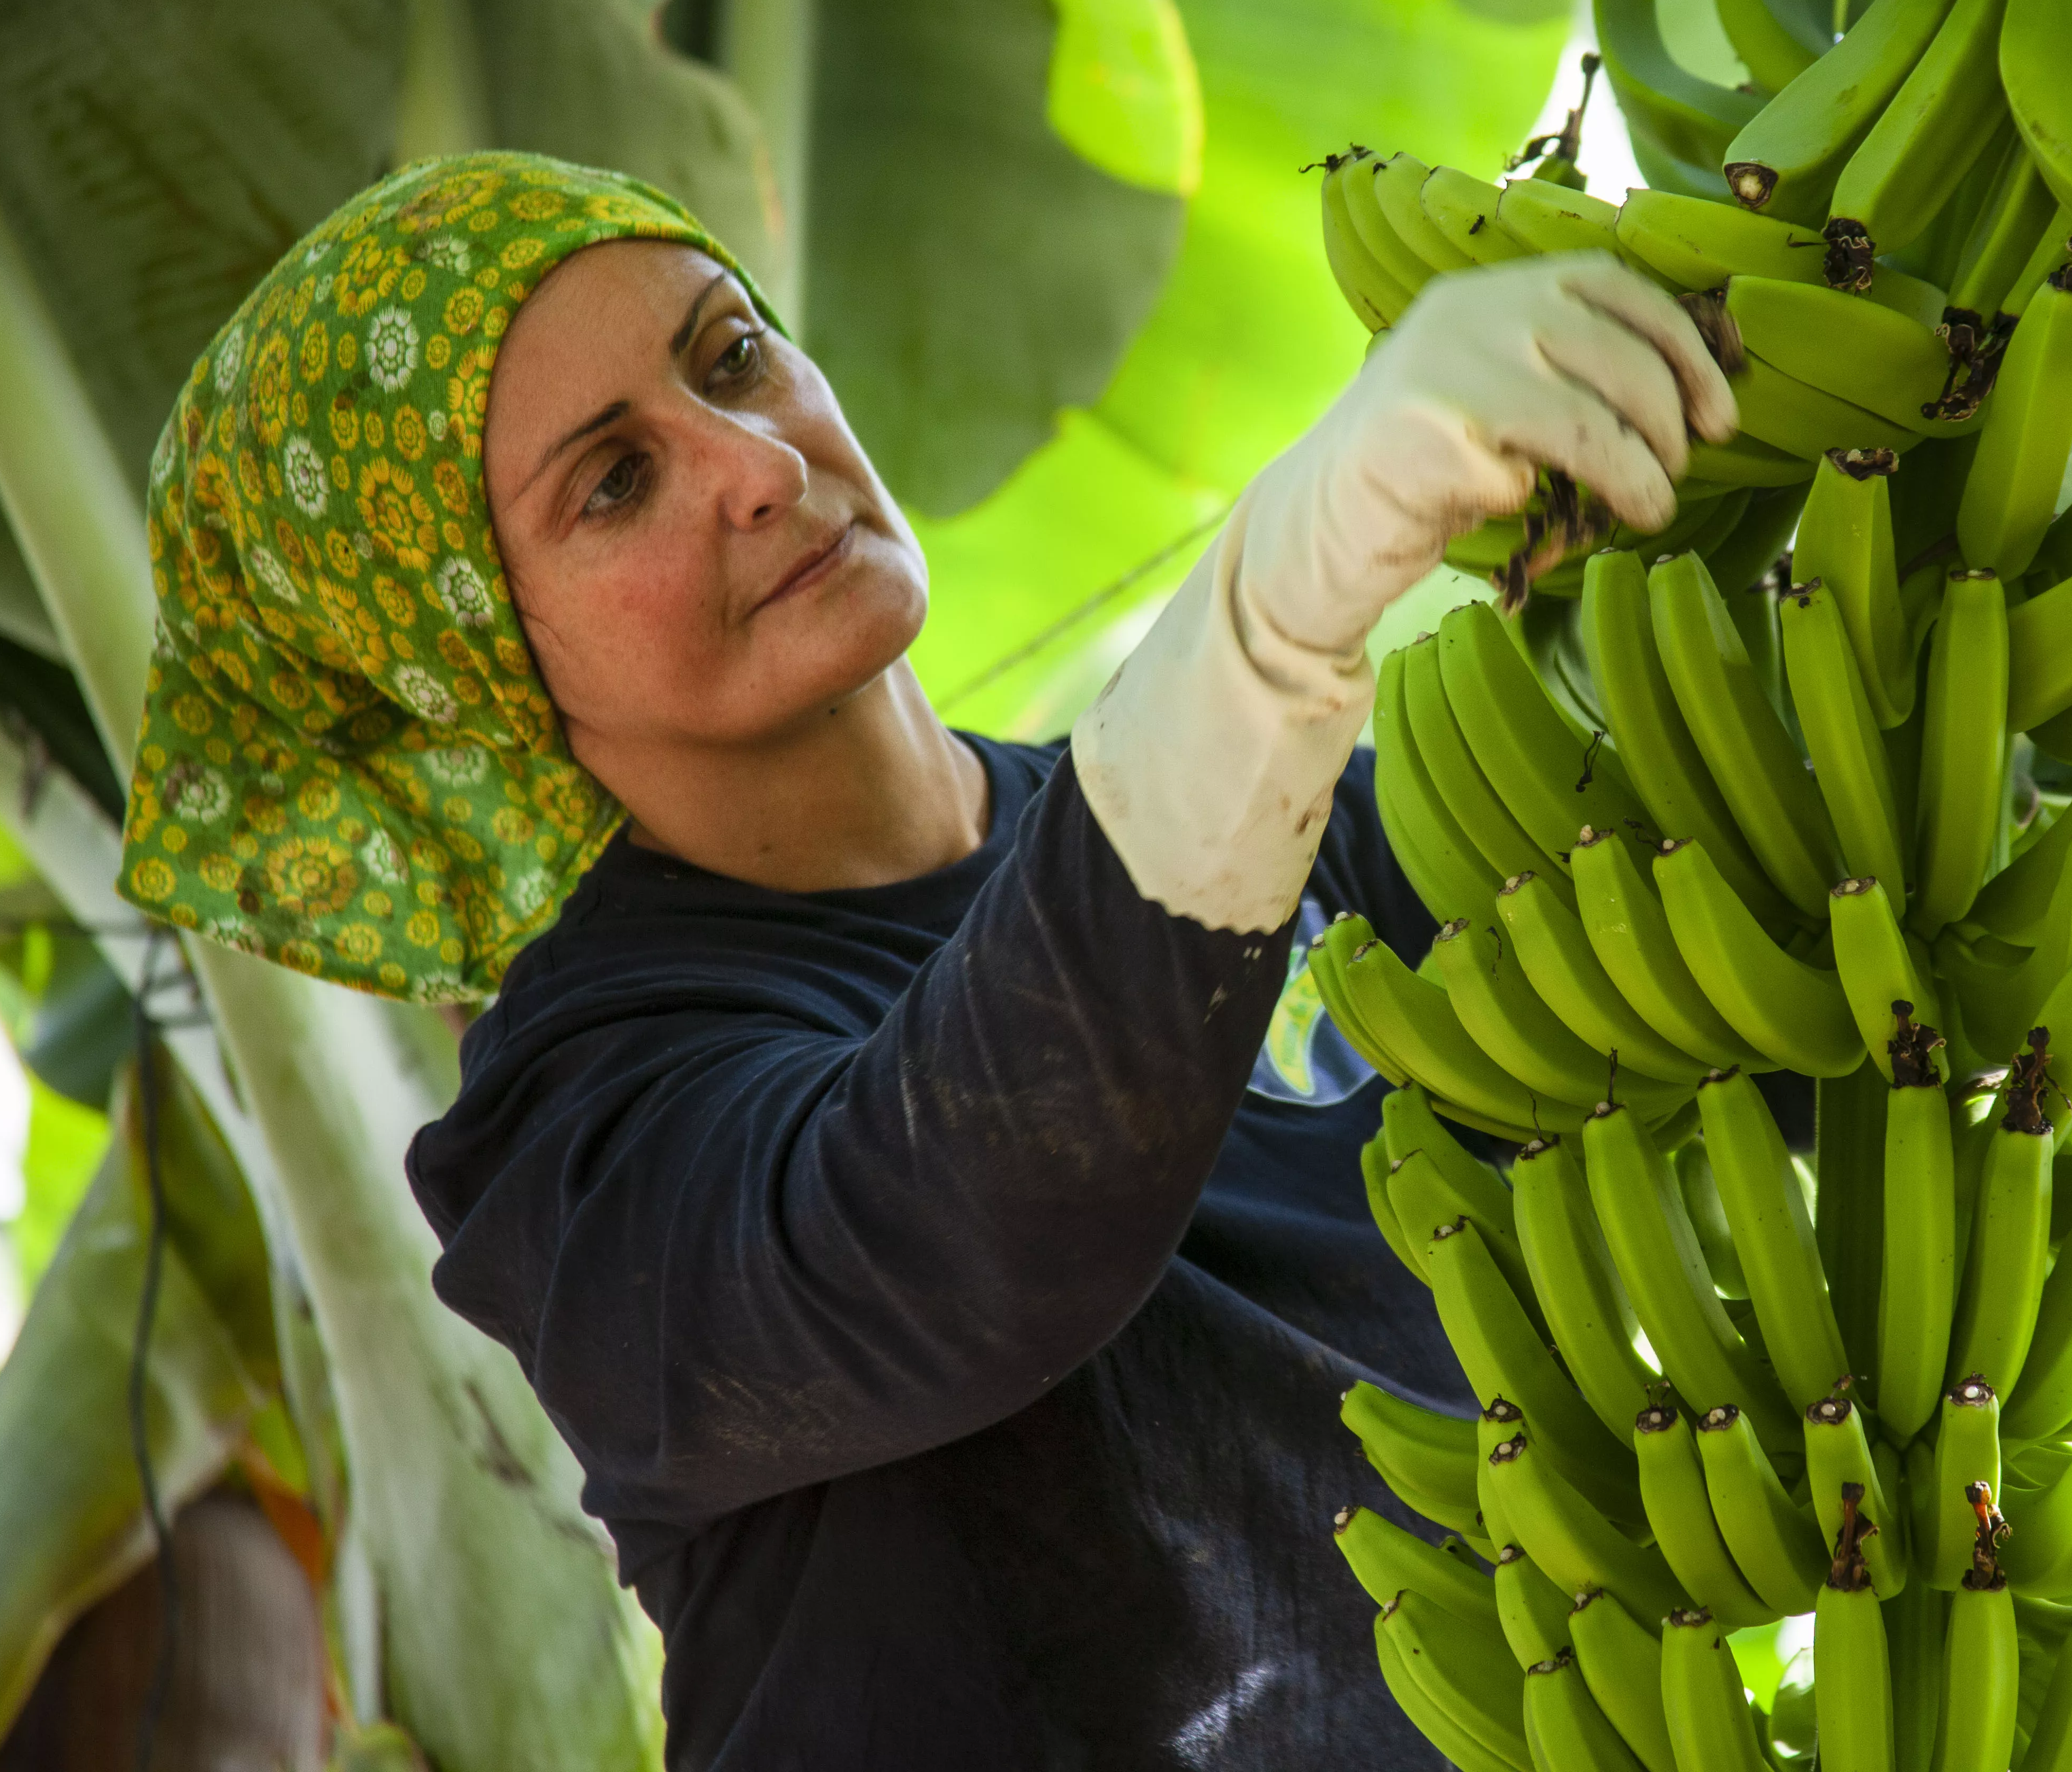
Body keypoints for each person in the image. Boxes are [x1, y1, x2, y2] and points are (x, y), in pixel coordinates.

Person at [115, 150, 1741, 1767]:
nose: (752, 464)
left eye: (732, 356)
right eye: (614, 482)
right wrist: (1264, 622)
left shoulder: (1330, 840)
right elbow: (952, 1233)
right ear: (486, 657)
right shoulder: (583, 1134)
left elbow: (1773, 991)